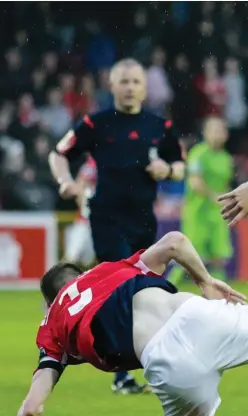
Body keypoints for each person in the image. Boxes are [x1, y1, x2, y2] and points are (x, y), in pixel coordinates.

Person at [0, 231, 248, 416]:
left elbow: (31, 409)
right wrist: (205, 280)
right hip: (197, 314)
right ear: (84, 273)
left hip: (167, 360)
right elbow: (175, 241)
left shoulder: (52, 324)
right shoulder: (111, 269)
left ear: (48, 303)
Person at [48, 58, 185, 394]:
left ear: (144, 86)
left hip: (143, 219)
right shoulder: (96, 123)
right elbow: (59, 153)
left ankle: (142, 361)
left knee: (145, 292)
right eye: (123, 81)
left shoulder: (159, 125)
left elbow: (181, 165)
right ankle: (123, 371)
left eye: (135, 82)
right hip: (106, 218)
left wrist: (167, 171)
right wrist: (65, 181)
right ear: (111, 85)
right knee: (123, 290)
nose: (129, 87)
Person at [169, 117, 234, 286]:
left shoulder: (226, 158)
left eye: (221, 131)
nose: (217, 135)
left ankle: (222, 295)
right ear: (205, 133)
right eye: (214, 130)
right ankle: (167, 286)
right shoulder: (198, 153)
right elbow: (195, 182)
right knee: (189, 255)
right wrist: (217, 197)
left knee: (219, 255)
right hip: (198, 211)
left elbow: (226, 184)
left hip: (218, 212)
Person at [63, 155, 96, 267]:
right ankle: (60, 282)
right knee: (72, 256)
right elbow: (80, 186)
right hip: (85, 221)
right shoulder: (92, 164)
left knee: (87, 260)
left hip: (99, 222)